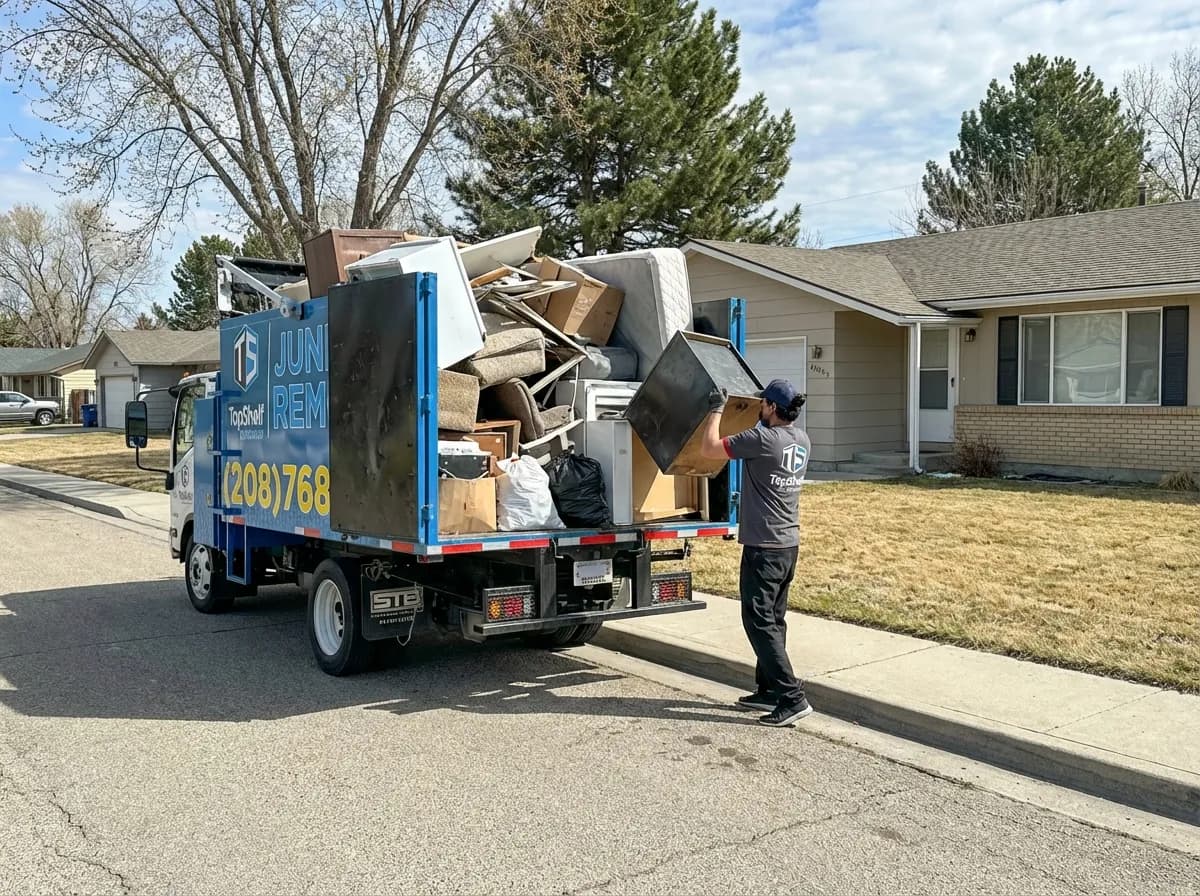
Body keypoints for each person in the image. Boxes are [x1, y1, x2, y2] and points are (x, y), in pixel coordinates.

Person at [700, 379, 812, 728]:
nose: (759, 407)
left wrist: (716, 409)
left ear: (773, 409)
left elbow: (709, 448)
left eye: (763, 403)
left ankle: (792, 698)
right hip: (787, 544)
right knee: (774, 620)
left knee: (758, 620)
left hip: (763, 547)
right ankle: (769, 690)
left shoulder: (762, 440)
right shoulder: (801, 440)